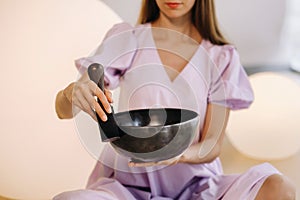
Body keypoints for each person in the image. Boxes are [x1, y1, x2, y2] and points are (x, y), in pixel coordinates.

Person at [54, 0, 296, 199]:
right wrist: (72, 93)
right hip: (127, 189)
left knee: (279, 188)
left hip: (197, 189)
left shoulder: (220, 56)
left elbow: (212, 144)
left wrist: (180, 154)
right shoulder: (129, 38)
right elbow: (64, 110)